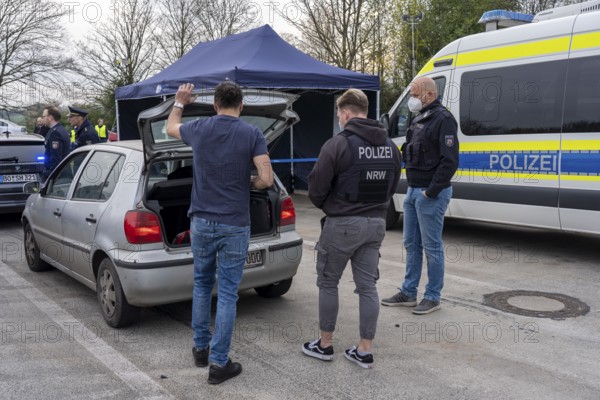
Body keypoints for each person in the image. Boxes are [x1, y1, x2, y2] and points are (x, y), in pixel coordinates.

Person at [166, 81, 273, 384]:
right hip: (234, 223)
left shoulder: (199, 128)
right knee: (227, 293)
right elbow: (266, 178)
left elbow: (171, 127)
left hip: (200, 221)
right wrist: (250, 183)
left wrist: (179, 101)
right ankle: (218, 364)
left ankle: (200, 349)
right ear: (241, 106)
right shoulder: (252, 133)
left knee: (201, 285)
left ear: (215, 105)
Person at [302, 89, 401, 369]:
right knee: (368, 287)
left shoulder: (338, 144)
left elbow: (316, 188)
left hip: (343, 223)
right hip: (376, 224)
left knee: (328, 282)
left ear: (345, 113)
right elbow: (392, 187)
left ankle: (324, 345)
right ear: (365, 110)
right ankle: (364, 351)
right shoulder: (391, 147)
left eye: (338, 114)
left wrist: (334, 207)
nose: (338, 118)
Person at [381, 76, 459, 315]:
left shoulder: (443, 119)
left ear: (429, 94)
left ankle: (433, 296)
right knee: (411, 245)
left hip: (429, 194)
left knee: (432, 247)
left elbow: (450, 161)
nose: (412, 100)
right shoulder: (418, 119)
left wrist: (430, 192)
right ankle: (408, 292)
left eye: (415, 95)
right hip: (413, 190)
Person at [41, 106, 70, 180]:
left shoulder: (55, 133)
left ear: (50, 117)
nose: (42, 119)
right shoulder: (61, 129)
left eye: (44, 116)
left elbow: (55, 158)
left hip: (57, 175)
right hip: (62, 173)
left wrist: (48, 174)